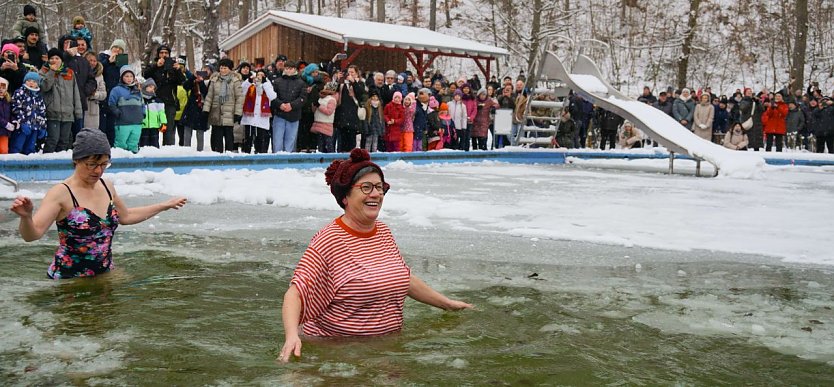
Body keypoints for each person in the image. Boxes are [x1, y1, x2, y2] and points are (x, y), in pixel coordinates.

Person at [279, 149, 472, 362]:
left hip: (386, 352)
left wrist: (446, 304)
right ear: (345, 196)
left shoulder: (383, 232)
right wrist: (291, 336)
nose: (376, 194)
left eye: (379, 187)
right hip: (338, 354)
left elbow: (401, 278)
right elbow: (295, 294)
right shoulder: (329, 240)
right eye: (366, 187)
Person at [9, 128, 187, 279]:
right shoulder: (61, 193)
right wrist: (26, 218)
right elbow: (32, 235)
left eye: (104, 164)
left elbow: (126, 216)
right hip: (68, 280)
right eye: (92, 164)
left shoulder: (106, 186)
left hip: (103, 273)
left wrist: (164, 205)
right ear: (76, 160)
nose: (98, 170)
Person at [40, 48, 82, 153]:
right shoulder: (43, 71)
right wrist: (52, 72)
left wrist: (78, 112)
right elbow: (44, 87)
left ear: (61, 60)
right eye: (52, 58)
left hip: (68, 113)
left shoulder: (69, 73)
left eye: (57, 58)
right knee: (52, 140)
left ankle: (60, 164)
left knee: (65, 141)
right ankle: (47, 162)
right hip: (52, 112)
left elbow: (75, 93)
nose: (55, 60)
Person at [203, 58, 243, 153]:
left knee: (229, 138)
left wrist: (238, 113)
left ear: (230, 69)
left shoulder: (235, 81)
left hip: (229, 113)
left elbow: (239, 98)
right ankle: (217, 156)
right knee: (217, 139)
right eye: (221, 68)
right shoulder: (214, 81)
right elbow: (209, 97)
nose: (223, 70)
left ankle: (229, 158)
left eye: (225, 68)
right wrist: (206, 110)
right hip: (216, 113)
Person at [271, 60, 307, 152]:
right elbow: (272, 97)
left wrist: (292, 105)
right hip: (279, 114)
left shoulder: (301, 82)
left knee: (290, 141)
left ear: (294, 69)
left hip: (294, 116)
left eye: (290, 68)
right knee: (277, 140)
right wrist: (280, 105)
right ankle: (276, 160)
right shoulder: (277, 81)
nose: (288, 70)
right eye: (286, 68)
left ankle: (288, 160)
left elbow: (303, 98)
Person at [108, 65, 144, 152]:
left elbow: (142, 103)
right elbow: (111, 103)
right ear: (122, 77)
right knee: (121, 144)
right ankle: (120, 162)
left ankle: (133, 161)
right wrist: (118, 113)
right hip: (123, 122)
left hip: (136, 122)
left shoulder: (137, 91)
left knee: (133, 144)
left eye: (131, 76)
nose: (129, 78)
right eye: (126, 76)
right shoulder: (116, 90)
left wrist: (143, 114)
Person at [9, 71, 46, 154]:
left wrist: (43, 127)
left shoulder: (39, 96)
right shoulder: (19, 92)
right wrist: (22, 122)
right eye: (29, 81)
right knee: (17, 146)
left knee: (30, 149)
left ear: (38, 83)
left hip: (35, 127)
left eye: (34, 81)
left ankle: (28, 165)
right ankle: (13, 164)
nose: (31, 83)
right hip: (22, 127)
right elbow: (15, 108)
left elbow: (42, 112)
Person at [241, 69, 276, 153]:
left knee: (261, 139)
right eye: (258, 75)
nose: (260, 77)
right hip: (250, 117)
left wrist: (265, 84)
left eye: (262, 75)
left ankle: (260, 154)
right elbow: (241, 91)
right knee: (248, 139)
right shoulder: (251, 85)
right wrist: (249, 81)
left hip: (261, 117)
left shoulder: (268, 85)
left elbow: (272, 96)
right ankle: (246, 154)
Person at [310, 81, 338, 153]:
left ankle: (330, 158)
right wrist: (314, 105)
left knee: (329, 145)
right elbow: (314, 111)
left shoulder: (332, 99)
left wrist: (319, 105)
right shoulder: (319, 99)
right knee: (320, 145)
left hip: (326, 124)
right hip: (318, 123)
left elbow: (329, 112)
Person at [139, 78, 166, 148]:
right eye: (150, 87)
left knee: (154, 143)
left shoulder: (157, 100)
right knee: (143, 143)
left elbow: (161, 112)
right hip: (143, 126)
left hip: (154, 126)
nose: (152, 89)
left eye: (153, 88)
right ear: (145, 87)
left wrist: (163, 123)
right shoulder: (140, 99)